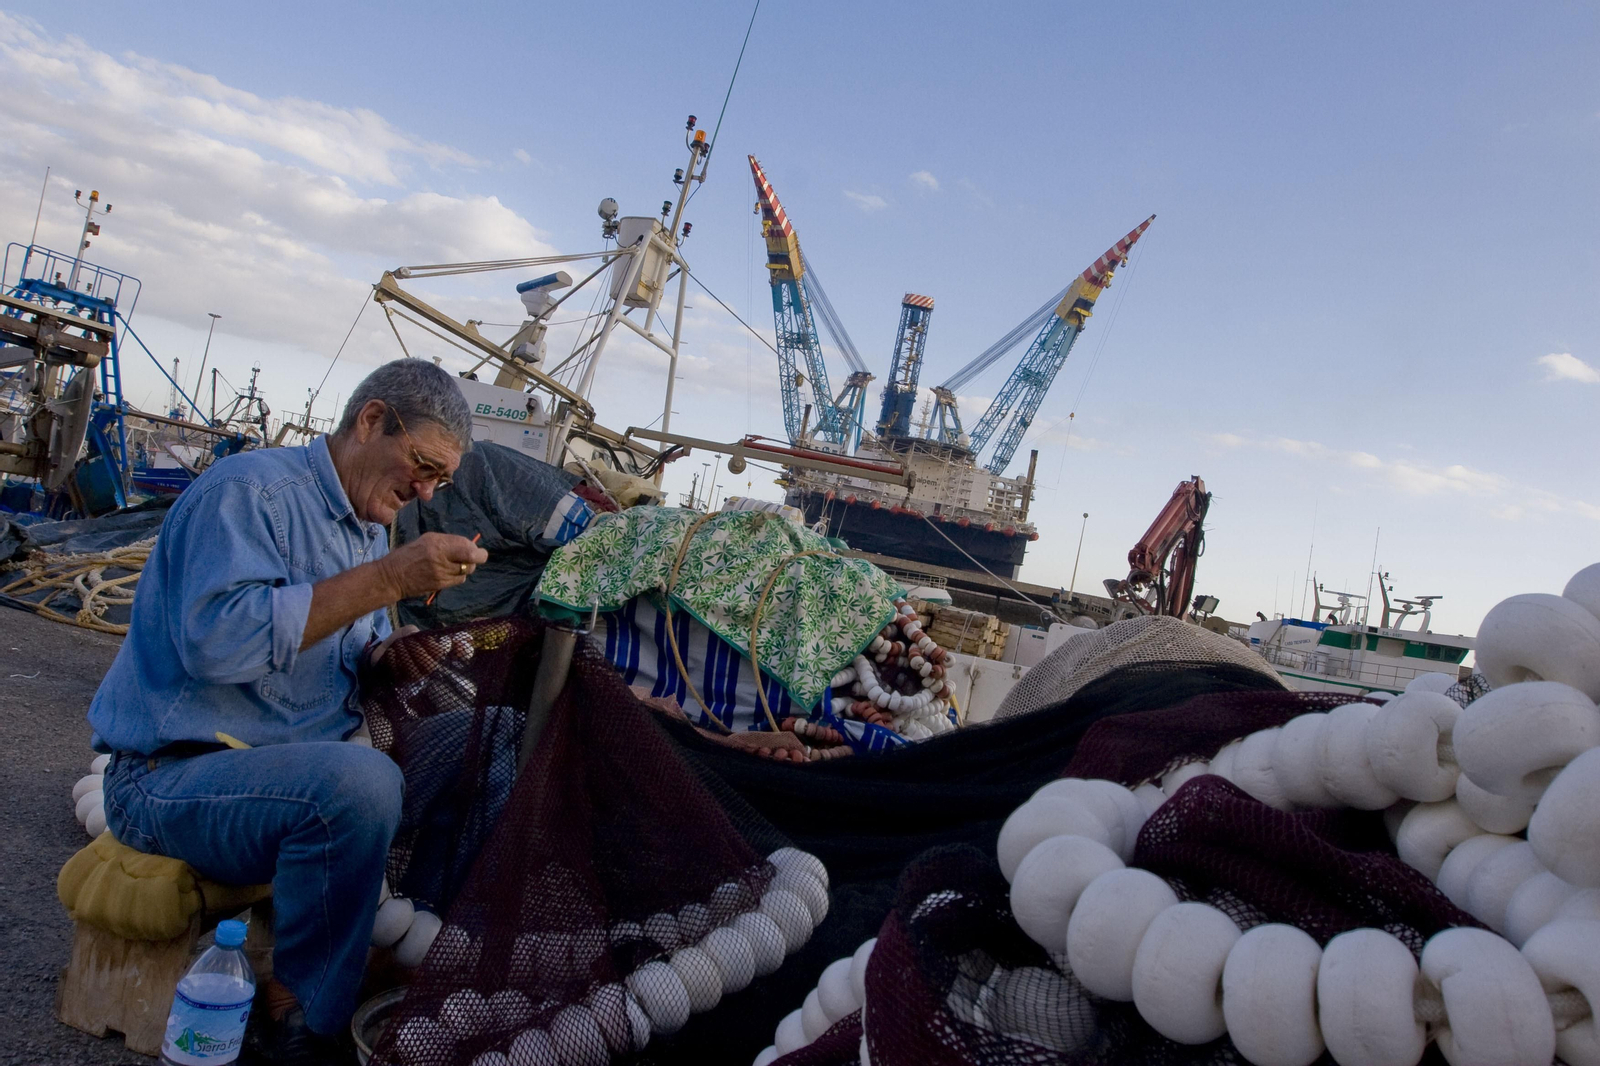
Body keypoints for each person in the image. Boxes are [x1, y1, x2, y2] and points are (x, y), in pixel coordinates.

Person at [91, 360, 489, 1064]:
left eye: (441, 479)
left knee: (484, 740)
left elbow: (340, 654)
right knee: (358, 784)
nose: (425, 490)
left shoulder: (367, 527)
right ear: (370, 421)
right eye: (423, 464)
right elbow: (219, 645)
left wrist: (390, 654)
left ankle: (396, 959)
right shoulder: (250, 492)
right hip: (170, 781)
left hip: (281, 780)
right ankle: (305, 1020)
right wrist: (390, 578)